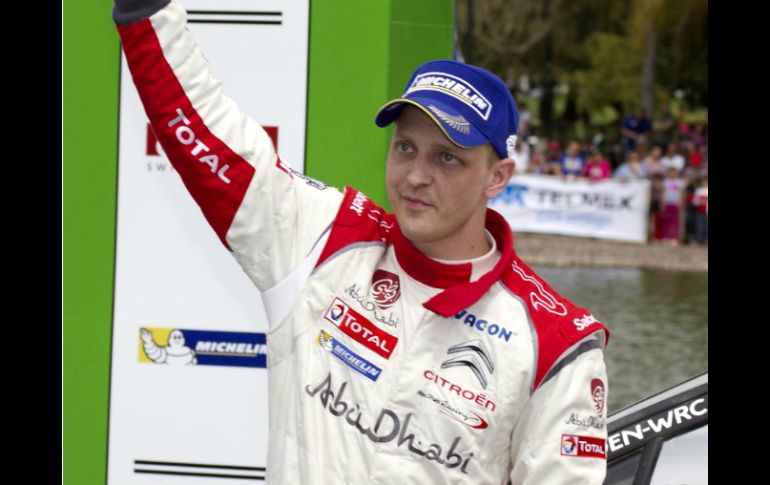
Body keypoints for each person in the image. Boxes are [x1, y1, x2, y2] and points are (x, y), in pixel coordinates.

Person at [113, 1, 610, 483]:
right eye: (406, 147)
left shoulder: (556, 343)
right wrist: (145, 13)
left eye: (447, 158)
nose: (415, 176)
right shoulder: (324, 240)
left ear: (497, 176)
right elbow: (209, 137)